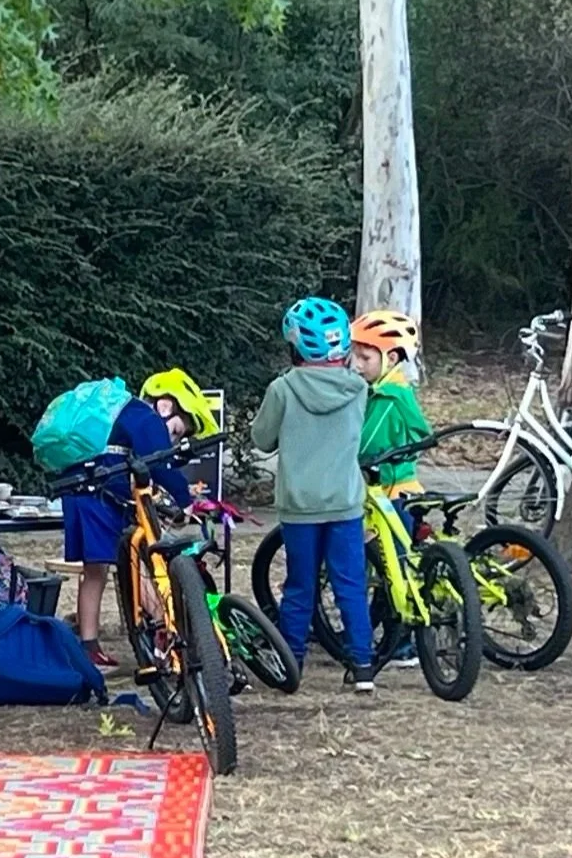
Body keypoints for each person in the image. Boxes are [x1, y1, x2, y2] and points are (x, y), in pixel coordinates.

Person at [253, 296, 376, 693]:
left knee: (299, 586)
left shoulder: (283, 389)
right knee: (350, 584)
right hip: (345, 502)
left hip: (299, 505)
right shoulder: (358, 388)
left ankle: (292, 664)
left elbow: (262, 439)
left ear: (295, 345)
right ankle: (362, 666)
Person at [63, 369, 218, 671]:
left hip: (87, 490)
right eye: (177, 429)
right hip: (95, 495)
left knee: (98, 570)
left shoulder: (130, 412)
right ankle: (144, 632)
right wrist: (185, 503)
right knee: (118, 564)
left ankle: (91, 644)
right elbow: (159, 463)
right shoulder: (146, 418)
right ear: (166, 405)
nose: (173, 437)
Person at [349, 310, 432, 669]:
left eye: (365, 357)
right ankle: (386, 635)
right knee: (393, 566)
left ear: (392, 358)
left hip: (390, 491)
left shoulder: (386, 396)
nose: (357, 365)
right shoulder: (397, 390)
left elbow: (363, 443)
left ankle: (401, 645)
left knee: (391, 567)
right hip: (402, 487)